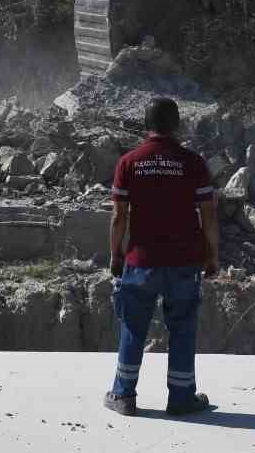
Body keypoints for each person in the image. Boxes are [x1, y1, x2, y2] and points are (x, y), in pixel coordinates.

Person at [104, 98, 218, 417]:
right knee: (182, 328)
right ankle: (181, 398)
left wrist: (115, 254)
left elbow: (119, 216)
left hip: (141, 261)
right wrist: (212, 255)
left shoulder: (129, 162)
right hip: (185, 261)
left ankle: (123, 396)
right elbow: (209, 215)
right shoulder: (193, 163)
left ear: (146, 125)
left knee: (133, 326)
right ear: (177, 125)